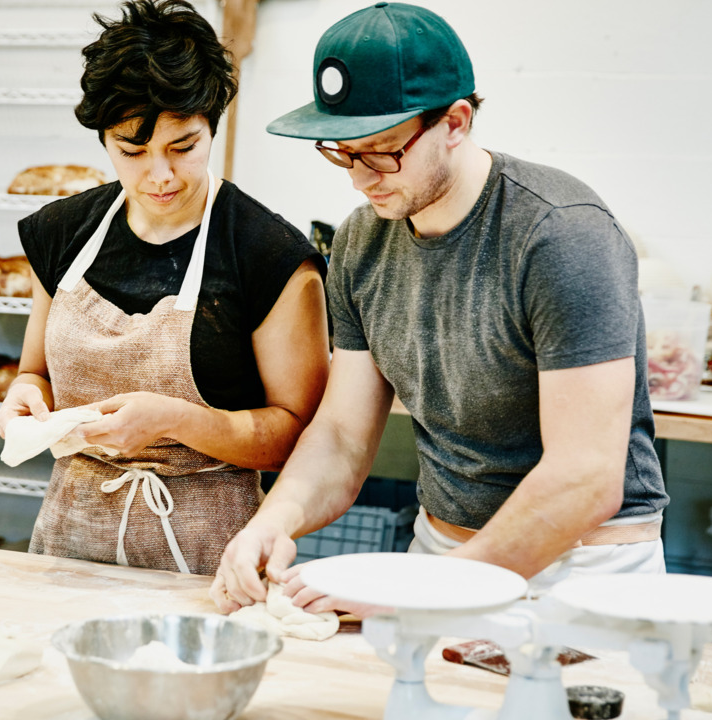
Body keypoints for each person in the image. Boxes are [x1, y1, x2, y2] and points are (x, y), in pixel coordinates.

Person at [211, 2, 670, 613]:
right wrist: (273, 521)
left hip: (582, 570)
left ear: (455, 121)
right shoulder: (360, 240)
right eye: (342, 151)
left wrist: (421, 590)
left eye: (381, 151)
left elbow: (585, 479)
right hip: (440, 548)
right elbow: (344, 434)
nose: (359, 178)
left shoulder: (561, 236)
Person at [0, 0, 329, 577]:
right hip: (70, 541)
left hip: (206, 553)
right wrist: (23, 398)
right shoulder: (60, 233)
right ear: (104, 139)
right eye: (132, 150)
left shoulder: (268, 255)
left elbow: (298, 437)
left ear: (212, 127)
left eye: (183, 147)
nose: (160, 175)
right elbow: (35, 374)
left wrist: (176, 420)